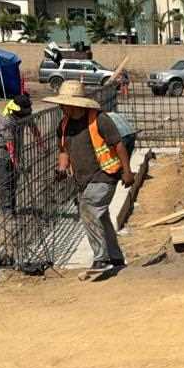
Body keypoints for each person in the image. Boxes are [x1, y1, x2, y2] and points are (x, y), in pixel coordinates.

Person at [44, 81, 135, 279]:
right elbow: (63, 151)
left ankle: (100, 258)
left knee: (88, 208)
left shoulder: (100, 120)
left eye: (64, 104)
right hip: (83, 180)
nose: (61, 107)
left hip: (106, 174)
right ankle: (115, 257)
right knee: (100, 216)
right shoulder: (63, 125)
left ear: (76, 105)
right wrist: (62, 168)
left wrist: (127, 171)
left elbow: (118, 145)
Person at [0, 94, 34, 214]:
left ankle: (12, 209)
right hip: (2, 155)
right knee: (5, 183)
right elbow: (10, 145)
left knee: (13, 183)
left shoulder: (23, 116)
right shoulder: (5, 121)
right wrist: (17, 164)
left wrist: (41, 145)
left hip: (15, 152)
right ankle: (7, 210)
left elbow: (33, 127)